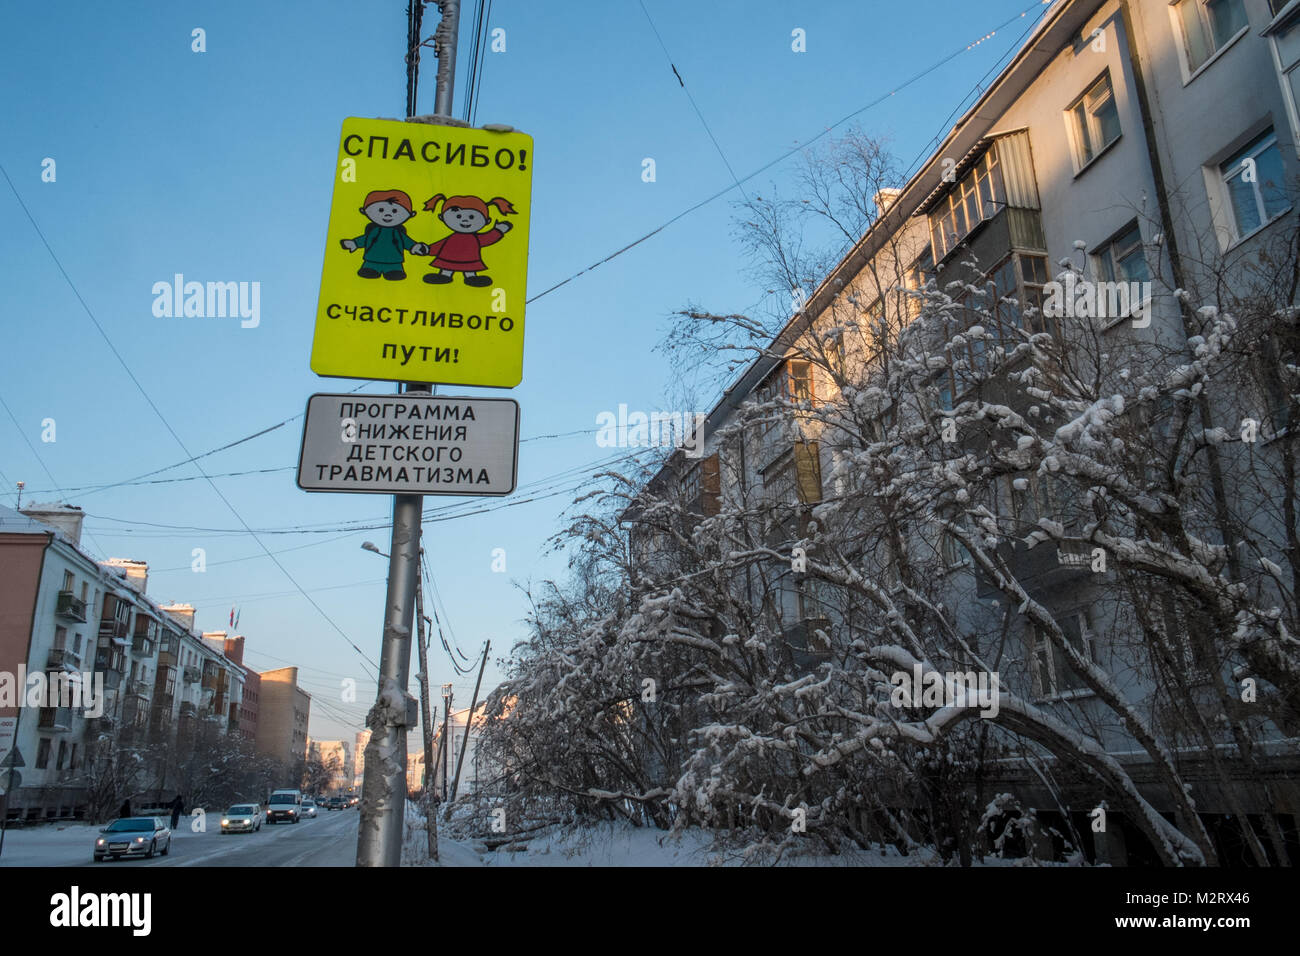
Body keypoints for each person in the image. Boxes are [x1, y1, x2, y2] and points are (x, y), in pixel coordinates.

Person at [419, 193, 516, 286]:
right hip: (448, 259)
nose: (464, 220)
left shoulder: (474, 238)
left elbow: (487, 238)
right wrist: (428, 249)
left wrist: (498, 230)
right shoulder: (453, 237)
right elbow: (439, 245)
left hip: (469, 260)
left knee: (469, 270)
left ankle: (471, 278)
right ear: (442, 217)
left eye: (471, 217)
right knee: (447, 268)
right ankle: (444, 276)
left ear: (487, 221)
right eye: (458, 216)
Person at [339, 189, 427, 280]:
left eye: (394, 211)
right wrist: (354, 243)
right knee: (369, 270)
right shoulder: (374, 231)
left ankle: (394, 271)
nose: (388, 214)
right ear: (364, 211)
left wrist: (415, 247)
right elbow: (364, 239)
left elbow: (407, 241)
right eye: (381, 210)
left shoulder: (397, 233)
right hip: (372, 259)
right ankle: (371, 269)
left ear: (411, 214)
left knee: (395, 272)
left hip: (394, 261)